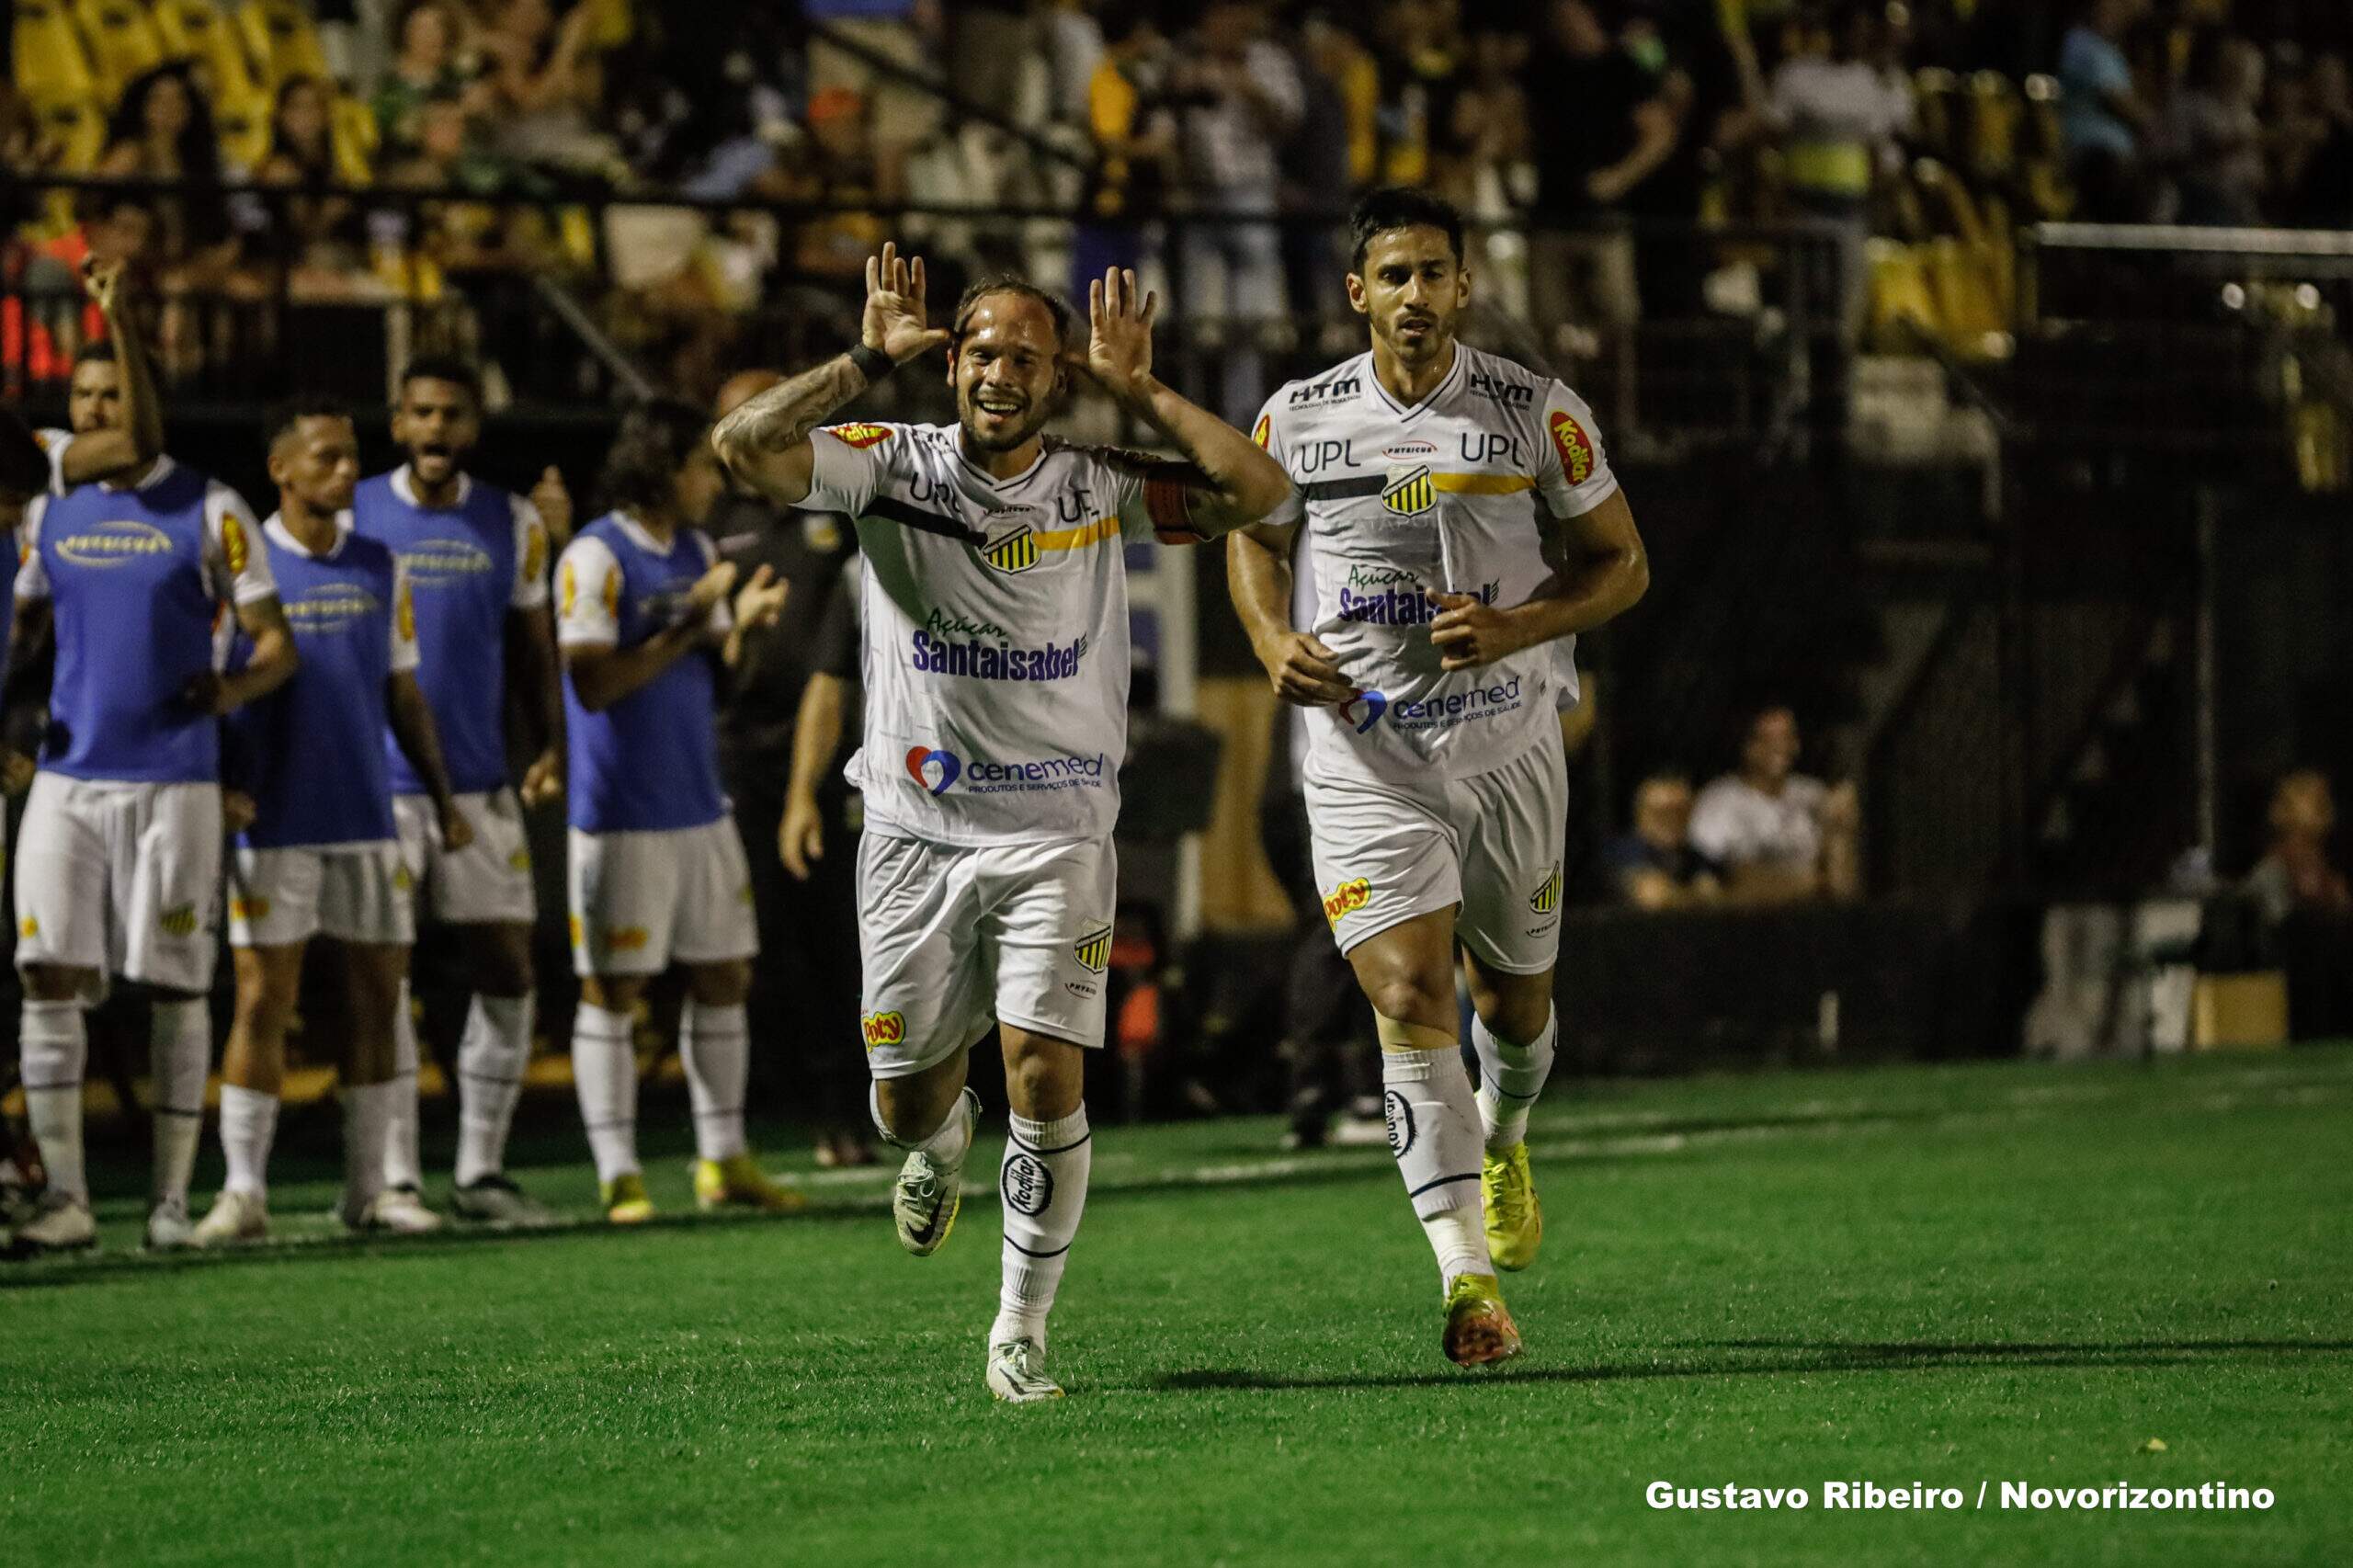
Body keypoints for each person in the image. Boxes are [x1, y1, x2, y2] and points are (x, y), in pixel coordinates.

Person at [712, 244, 1289, 1401]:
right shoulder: (888, 465)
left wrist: (1141, 387)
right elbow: (743, 449)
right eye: (981, 350)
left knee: (1043, 1074)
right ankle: (935, 1142)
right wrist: (864, 358)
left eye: (1026, 356)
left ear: (1054, 377)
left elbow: (1261, 496)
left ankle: (1018, 1325)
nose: (998, 372)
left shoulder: (1095, 480)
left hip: (1059, 829)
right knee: (905, 1098)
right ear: (950, 364)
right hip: (915, 830)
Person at [1225, 187, 1650, 1367]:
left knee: (1513, 1004)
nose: (1415, 296)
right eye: (1392, 276)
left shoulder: (1533, 413)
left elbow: (1621, 566)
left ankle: (1506, 1129)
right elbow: (1253, 546)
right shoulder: (1295, 420)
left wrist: (1518, 629)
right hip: (1366, 752)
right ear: (1356, 292)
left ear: (1465, 287)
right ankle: (1467, 1280)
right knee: (1410, 992)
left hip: (1507, 742)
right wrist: (1269, 642)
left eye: (1434, 274)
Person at [6, 305, 298, 1254]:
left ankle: (170, 1200)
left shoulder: (211, 506)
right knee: (47, 977)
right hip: (69, 775)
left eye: (112, 394)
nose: (97, 411)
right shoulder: (49, 508)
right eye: (82, 397)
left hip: (176, 777)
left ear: (139, 401)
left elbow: (276, 645)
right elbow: (22, 637)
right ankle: (67, 1202)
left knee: (176, 985)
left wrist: (234, 692)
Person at [194, 402, 472, 1245]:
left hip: (364, 814)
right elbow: (202, 692)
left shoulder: (380, 563)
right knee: (261, 1000)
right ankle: (243, 1192)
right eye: (326, 458)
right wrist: (218, 784)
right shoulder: (240, 572)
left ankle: (371, 1189)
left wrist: (444, 797)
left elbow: (403, 691)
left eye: (351, 458)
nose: (346, 472)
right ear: (281, 471)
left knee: (377, 999)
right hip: (271, 819)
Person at [555, 398, 798, 1223]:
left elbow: (716, 670)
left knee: (725, 974)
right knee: (615, 989)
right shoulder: (596, 556)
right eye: (701, 464)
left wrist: (744, 629)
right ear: (662, 468)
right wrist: (693, 624)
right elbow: (592, 683)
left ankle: (721, 1160)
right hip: (622, 813)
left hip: (700, 801)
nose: (712, 480)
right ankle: (619, 1172)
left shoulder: (694, 548)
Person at [350, 356, 569, 1226]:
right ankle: (397, 1174)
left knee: (511, 967)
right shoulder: (355, 511)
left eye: (451, 414)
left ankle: (480, 1169)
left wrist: (551, 744)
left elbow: (534, 646)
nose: (435, 429)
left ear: (472, 428)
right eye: (420, 413)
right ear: (398, 423)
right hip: (378, 790)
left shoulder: (509, 520)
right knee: (384, 979)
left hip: (479, 785)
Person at [706, 370, 869, 1169]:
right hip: (738, 759)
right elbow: (698, 663)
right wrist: (729, 635)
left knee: (839, 938)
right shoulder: (715, 524)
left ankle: (851, 1108)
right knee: (763, 947)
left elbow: (832, 667)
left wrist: (808, 788)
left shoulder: (836, 506)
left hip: (835, 760)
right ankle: (797, 1111)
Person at [1687, 705, 1860, 903]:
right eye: (1767, 739)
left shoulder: (1814, 795)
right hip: (1743, 922)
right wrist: (1811, 883)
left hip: (1810, 919)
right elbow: (1717, 883)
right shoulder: (1720, 800)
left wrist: (1840, 831)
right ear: (1748, 746)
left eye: (1788, 738)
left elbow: (1841, 885)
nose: (1781, 747)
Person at [1606, 773, 1722, 908]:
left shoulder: (1698, 856)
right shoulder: (1622, 852)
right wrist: (1698, 895)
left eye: (1680, 812)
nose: (1672, 820)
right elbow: (1654, 897)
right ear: (1641, 815)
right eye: (1662, 813)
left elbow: (1724, 895)